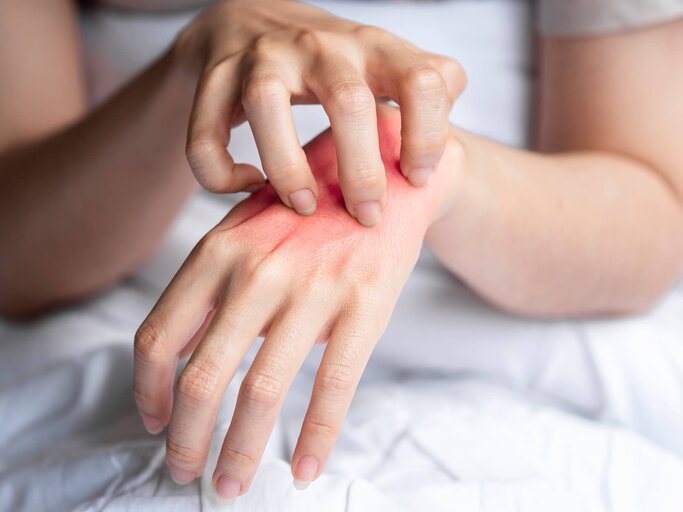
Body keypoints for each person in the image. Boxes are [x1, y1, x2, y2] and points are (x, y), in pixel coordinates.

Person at [0, 0, 682, 503]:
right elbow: (18, 260)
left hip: (510, 314)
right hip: (133, 314)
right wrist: (190, 68)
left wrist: (416, 167)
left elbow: (652, 216)